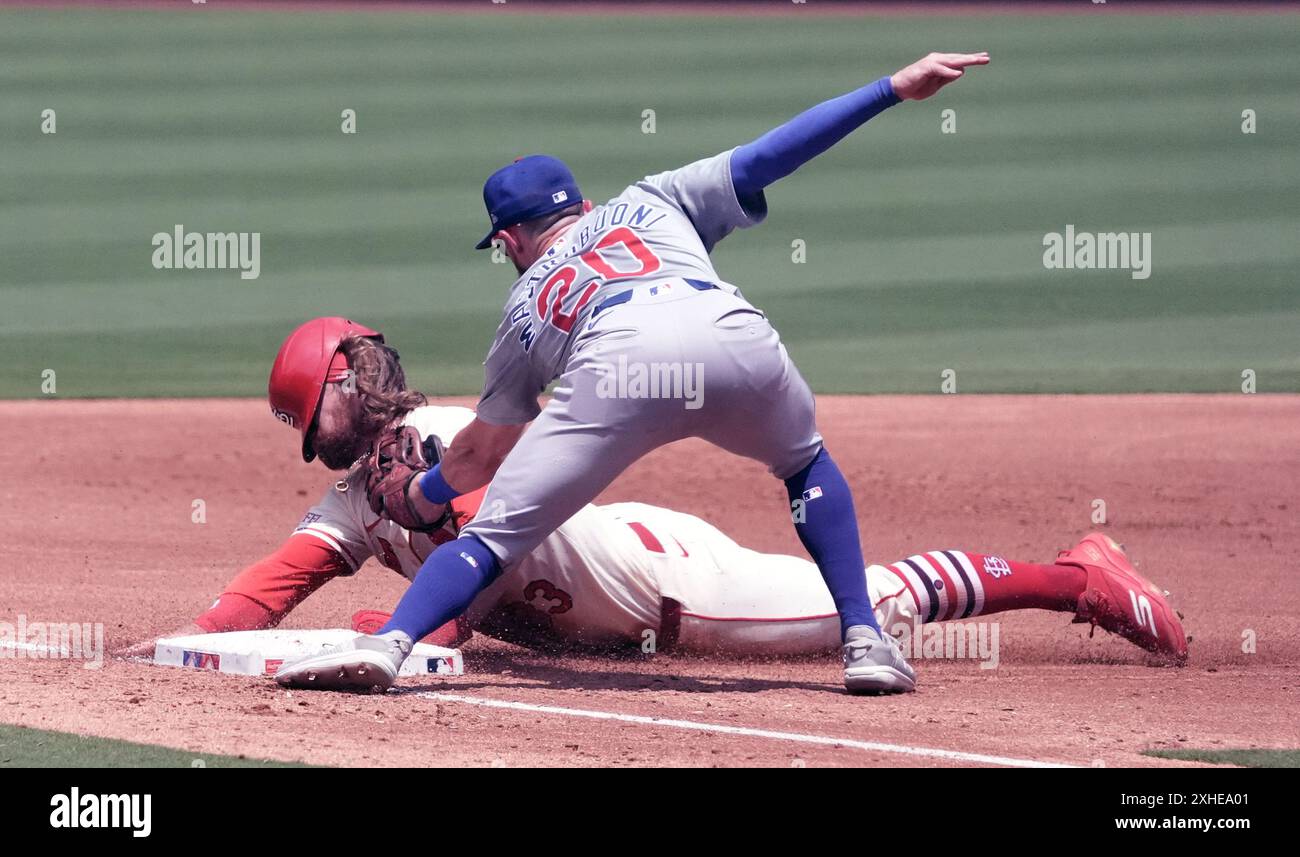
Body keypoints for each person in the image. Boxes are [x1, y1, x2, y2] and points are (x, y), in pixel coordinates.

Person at [279, 52, 999, 695]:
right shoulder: (653, 197)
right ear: (585, 208)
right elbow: (771, 155)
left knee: (490, 539)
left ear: (508, 239)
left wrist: (423, 492)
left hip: (617, 371)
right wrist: (890, 89)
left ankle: (390, 644)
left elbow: (485, 453)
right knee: (804, 461)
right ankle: (865, 641)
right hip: (730, 337)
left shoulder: (524, 304)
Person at [155, 319, 1184, 678]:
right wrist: (179, 645)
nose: (358, 385)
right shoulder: (348, 502)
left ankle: (1075, 576)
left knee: (870, 602)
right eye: (343, 381)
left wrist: (415, 628)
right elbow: (264, 591)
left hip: (666, 584)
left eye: (351, 373)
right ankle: (1068, 574)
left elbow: (484, 552)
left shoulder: (449, 440)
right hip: (619, 594)